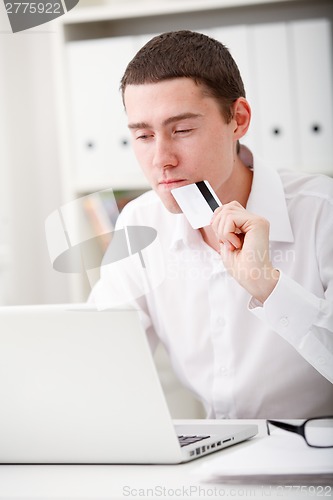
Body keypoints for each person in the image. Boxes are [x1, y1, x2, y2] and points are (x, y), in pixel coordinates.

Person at [89, 30, 333, 418]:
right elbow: (97, 360)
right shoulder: (140, 221)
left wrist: (268, 286)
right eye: (143, 135)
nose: (161, 159)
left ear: (238, 120)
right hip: (214, 459)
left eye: (182, 130)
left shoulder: (322, 211)